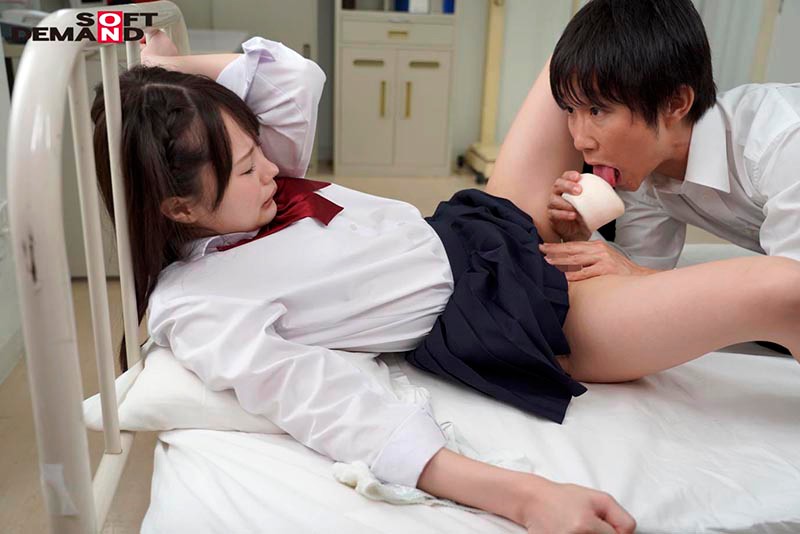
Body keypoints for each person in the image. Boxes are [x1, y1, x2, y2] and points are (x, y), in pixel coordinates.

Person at [90, 31, 799, 534]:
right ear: (179, 208)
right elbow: (332, 408)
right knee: (783, 290)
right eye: (248, 167)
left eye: (256, 149)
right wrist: (525, 497)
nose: (274, 168)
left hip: (476, 226)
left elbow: (291, 77)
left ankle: (633, 186)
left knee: (580, 52)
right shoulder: (203, 303)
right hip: (517, 311)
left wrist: (171, 72)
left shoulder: (254, 190)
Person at [531, 0, 800, 284]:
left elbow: (791, 286)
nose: (579, 141)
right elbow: (636, 268)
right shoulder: (647, 169)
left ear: (675, 103)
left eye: (597, 110)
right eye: (570, 110)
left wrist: (640, 274)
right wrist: (582, 235)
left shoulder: (782, 141)